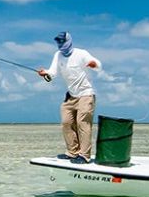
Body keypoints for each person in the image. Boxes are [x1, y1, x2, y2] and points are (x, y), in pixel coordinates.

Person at [35, 31, 103, 162]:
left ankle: (84, 155)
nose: (60, 44)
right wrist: (45, 74)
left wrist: (94, 65)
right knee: (66, 122)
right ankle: (72, 152)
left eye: (62, 41)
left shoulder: (81, 53)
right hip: (71, 96)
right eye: (58, 41)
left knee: (82, 123)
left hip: (86, 94)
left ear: (69, 40)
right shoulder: (58, 55)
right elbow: (52, 73)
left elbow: (98, 65)